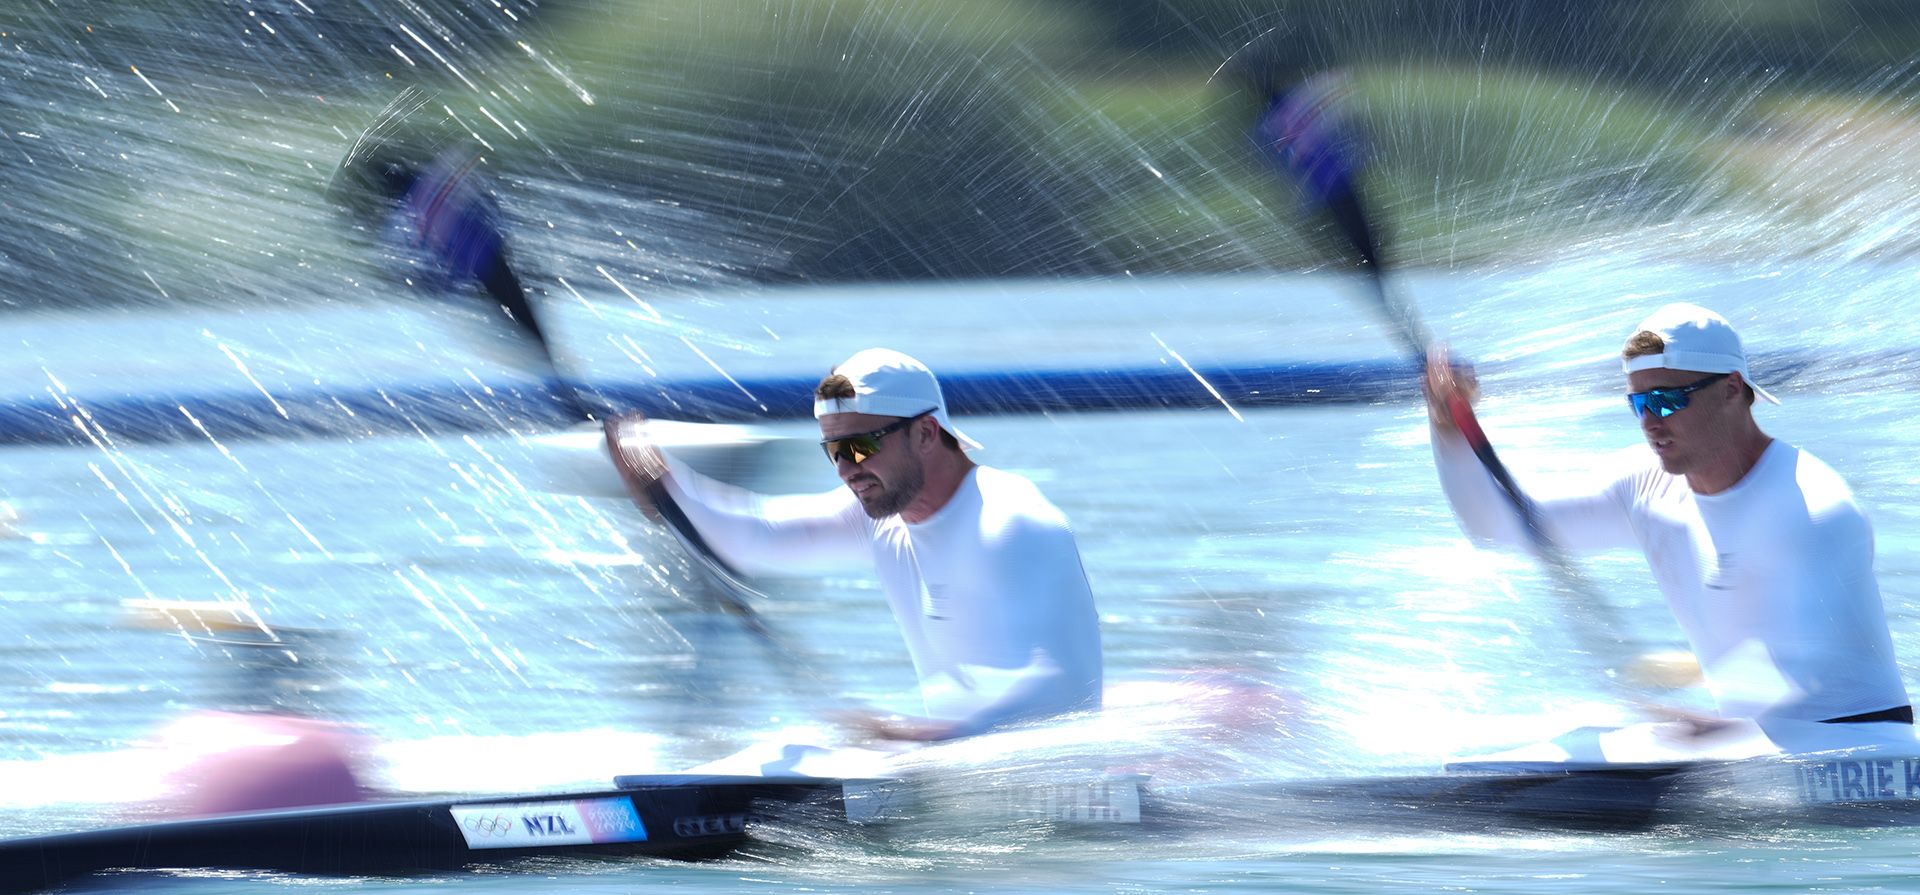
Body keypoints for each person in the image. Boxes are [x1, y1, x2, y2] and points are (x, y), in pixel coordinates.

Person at [1424, 302, 1908, 728]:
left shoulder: (1814, 506)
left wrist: (1695, 714)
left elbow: (1810, 662)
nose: (1650, 422)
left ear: (1732, 389)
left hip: (1859, 745)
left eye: (1667, 399)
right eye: (1638, 402)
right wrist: (1448, 430)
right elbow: (1497, 526)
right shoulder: (1644, 485)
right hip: (1751, 744)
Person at [604, 348, 1103, 742]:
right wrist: (659, 477)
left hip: (1055, 782)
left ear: (926, 433)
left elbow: (1059, 687)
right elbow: (754, 538)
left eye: (859, 447)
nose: (846, 470)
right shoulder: (878, 516)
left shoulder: (1010, 520)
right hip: (959, 767)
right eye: (833, 451)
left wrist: (918, 737)